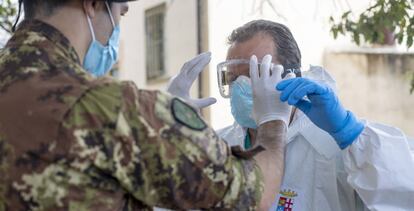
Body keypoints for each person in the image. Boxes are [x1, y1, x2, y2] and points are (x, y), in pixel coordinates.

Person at [0, 1, 291, 210]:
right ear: (91, 5)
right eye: (121, 13)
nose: (115, 32)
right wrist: (274, 122)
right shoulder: (114, 109)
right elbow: (255, 195)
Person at [168, 20, 414, 211]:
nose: (241, 87)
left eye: (257, 73)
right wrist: (171, 139)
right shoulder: (221, 147)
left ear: (291, 76)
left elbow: (403, 197)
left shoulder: (337, 149)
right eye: (233, 79)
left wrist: (350, 132)